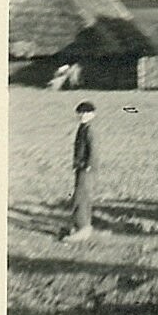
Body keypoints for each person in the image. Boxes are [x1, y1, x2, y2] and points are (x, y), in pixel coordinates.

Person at [64, 101, 97, 242]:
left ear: (93, 115)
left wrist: (89, 165)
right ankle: (80, 226)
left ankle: (83, 228)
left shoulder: (90, 130)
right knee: (78, 196)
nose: (83, 115)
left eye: (86, 113)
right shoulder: (82, 128)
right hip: (80, 167)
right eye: (80, 113)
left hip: (86, 169)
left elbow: (94, 150)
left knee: (82, 197)